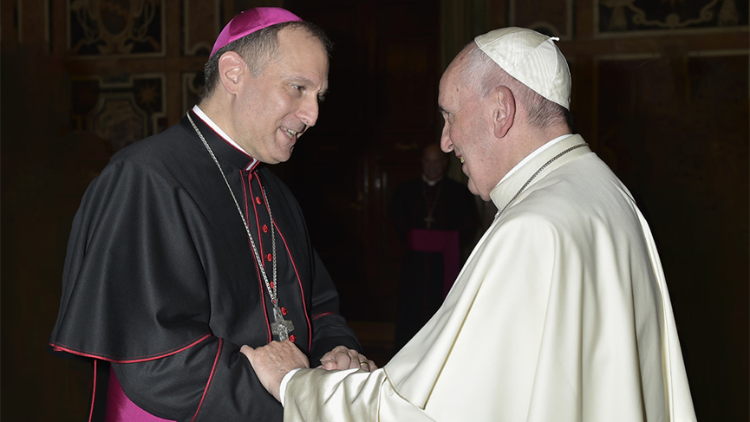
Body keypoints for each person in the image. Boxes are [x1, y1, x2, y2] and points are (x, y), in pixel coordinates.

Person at [244, 27, 697, 422]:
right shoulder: (605, 192)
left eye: (449, 116)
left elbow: (423, 413)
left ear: (500, 110)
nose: (444, 142)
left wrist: (294, 382)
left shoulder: (533, 228)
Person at [48, 7, 374, 422]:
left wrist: (336, 354)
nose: (313, 116)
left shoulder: (276, 193)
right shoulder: (145, 177)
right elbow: (159, 366)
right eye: (297, 88)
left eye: (318, 97)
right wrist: (295, 395)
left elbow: (318, 306)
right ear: (234, 73)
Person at [388, 143, 477, 351]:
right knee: (411, 312)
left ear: (445, 163)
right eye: (428, 161)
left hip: (445, 267)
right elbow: (397, 226)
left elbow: (468, 227)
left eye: (437, 161)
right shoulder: (406, 191)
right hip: (414, 267)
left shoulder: (458, 192)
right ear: (422, 163)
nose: (432, 166)